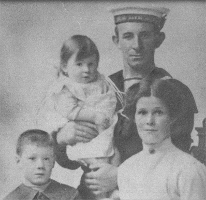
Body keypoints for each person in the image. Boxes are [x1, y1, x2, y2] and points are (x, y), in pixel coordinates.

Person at [50, 6, 198, 198]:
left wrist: (121, 176)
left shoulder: (174, 92)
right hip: (90, 193)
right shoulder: (99, 87)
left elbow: (176, 161)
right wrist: (61, 138)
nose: (136, 45)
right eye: (128, 36)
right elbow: (69, 161)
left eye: (144, 35)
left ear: (158, 40)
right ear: (116, 40)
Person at [37, 35, 119, 199]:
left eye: (91, 64)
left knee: (114, 155)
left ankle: (113, 191)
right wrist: (60, 137)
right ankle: (107, 195)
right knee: (98, 164)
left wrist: (120, 175)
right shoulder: (66, 88)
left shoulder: (106, 83)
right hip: (84, 142)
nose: (87, 70)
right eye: (79, 64)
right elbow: (70, 111)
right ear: (65, 67)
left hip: (105, 138)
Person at [118, 77, 206, 200]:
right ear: (134, 117)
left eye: (158, 112)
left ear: (172, 117)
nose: (150, 121)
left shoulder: (189, 170)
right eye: (142, 112)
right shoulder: (126, 169)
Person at [3, 129, 82, 200]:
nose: (40, 166)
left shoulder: (71, 196)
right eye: (32, 159)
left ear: (53, 162)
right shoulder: (11, 198)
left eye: (46, 159)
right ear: (18, 161)